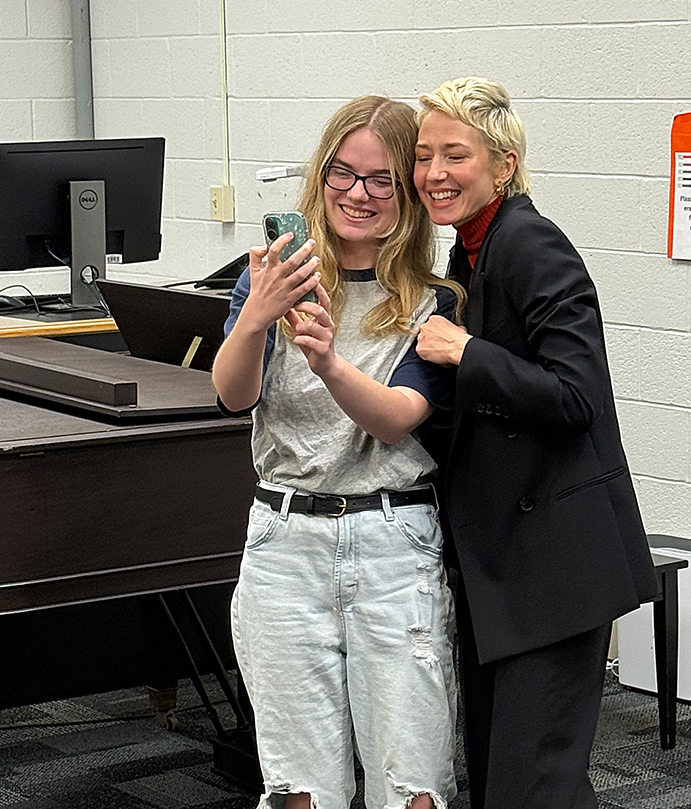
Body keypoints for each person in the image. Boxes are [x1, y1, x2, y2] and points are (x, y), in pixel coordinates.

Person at [413, 77, 661, 809]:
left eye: (454, 154)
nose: (433, 173)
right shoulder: (468, 253)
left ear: (504, 163)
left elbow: (578, 395)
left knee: (532, 782)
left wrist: (466, 354)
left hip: (555, 563)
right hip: (505, 563)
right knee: (509, 778)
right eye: (424, 155)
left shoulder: (529, 241)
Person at [212, 95, 463, 809]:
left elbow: (398, 419)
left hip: (393, 545)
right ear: (321, 177)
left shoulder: (431, 301)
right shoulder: (269, 277)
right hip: (286, 546)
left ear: (407, 194)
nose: (358, 193)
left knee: (412, 786)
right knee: (300, 789)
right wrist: (258, 316)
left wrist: (327, 361)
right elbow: (233, 395)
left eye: (381, 179)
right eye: (342, 173)